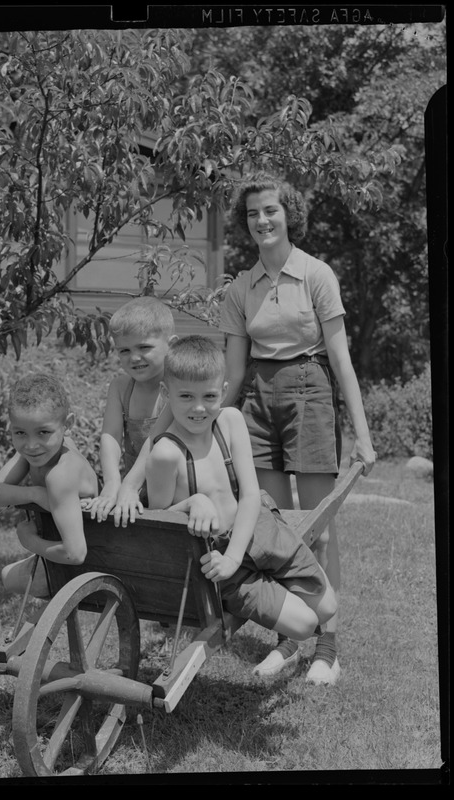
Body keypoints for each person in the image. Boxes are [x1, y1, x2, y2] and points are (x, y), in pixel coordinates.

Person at [219, 170, 376, 685]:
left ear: (289, 214)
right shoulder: (241, 288)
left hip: (311, 391)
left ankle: (328, 644)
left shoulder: (316, 275)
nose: (261, 220)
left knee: (319, 530)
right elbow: (236, 372)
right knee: (271, 530)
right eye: (252, 213)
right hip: (258, 403)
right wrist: (206, 424)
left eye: (271, 210)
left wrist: (363, 434)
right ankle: (288, 639)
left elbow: (341, 359)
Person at [145, 335, 337, 654]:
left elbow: (249, 494)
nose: (198, 407)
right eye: (186, 396)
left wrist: (237, 555)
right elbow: (158, 524)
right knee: (305, 625)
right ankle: (270, 597)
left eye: (208, 396)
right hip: (216, 560)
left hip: (257, 530)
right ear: (167, 395)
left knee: (327, 607)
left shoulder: (230, 422)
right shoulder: (165, 454)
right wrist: (193, 502)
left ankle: (275, 588)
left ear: (222, 392)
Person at [0, 373, 99, 597]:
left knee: (10, 577)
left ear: (68, 425)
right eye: (20, 433)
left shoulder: (61, 475)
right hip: (73, 558)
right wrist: (36, 493)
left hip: (87, 566)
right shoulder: (38, 453)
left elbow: (75, 554)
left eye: (43, 432)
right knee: (8, 575)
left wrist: (30, 542)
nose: (31, 445)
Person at [86, 296, 176, 525]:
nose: (134, 358)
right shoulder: (121, 387)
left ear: (171, 345)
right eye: (124, 350)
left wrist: (129, 485)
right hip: (132, 487)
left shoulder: (179, 387)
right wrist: (112, 483)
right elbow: (111, 436)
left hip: (173, 489)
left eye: (144, 347)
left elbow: (154, 441)